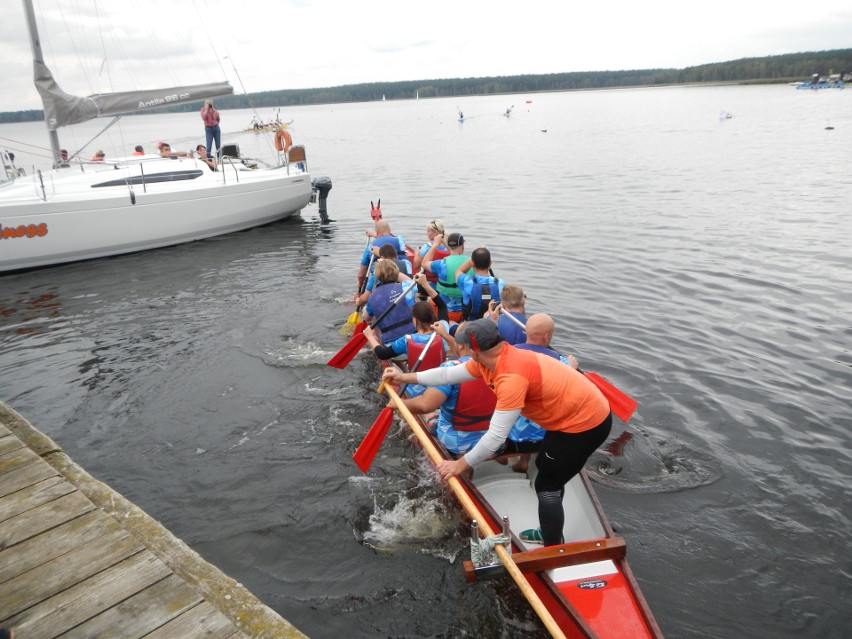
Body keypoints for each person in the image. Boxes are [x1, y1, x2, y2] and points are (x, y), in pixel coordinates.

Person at [382, 319, 612, 547]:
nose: (459, 349)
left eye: (463, 346)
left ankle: (553, 546)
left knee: (547, 485)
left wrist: (459, 465)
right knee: (545, 464)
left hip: (585, 424)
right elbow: (447, 376)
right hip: (569, 415)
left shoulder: (510, 378)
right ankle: (553, 517)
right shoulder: (493, 358)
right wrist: (405, 377)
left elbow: (495, 439)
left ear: (474, 350)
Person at [363, 260, 417, 346]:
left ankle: (379, 348)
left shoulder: (372, 297)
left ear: (377, 276)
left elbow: (366, 318)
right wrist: (392, 270)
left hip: (390, 345)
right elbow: (414, 283)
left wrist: (364, 310)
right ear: (396, 273)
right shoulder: (406, 286)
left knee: (373, 319)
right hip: (413, 336)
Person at [423, 232, 468, 323]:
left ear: (448, 245)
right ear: (462, 246)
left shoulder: (441, 264)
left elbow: (424, 263)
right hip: (465, 312)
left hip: (443, 311)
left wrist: (435, 244)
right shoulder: (471, 263)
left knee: (427, 300)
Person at [356, 220, 408, 293]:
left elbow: (361, 275)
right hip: (404, 279)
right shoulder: (400, 240)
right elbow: (390, 235)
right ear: (389, 231)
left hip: (382, 283)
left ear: (377, 233)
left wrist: (360, 287)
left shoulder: (371, 248)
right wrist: (375, 234)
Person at [457, 247, 505, 321]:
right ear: (490, 263)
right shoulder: (501, 283)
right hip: (492, 325)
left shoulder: (466, 281)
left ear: (472, 264)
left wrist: (472, 260)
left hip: (471, 325)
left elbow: (459, 271)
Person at [413, 219, 450, 284]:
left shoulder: (427, 247)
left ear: (435, 233)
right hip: (444, 283)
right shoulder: (450, 248)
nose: (426, 233)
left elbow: (416, 266)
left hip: (428, 285)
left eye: (428, 231)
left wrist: (417, 252)